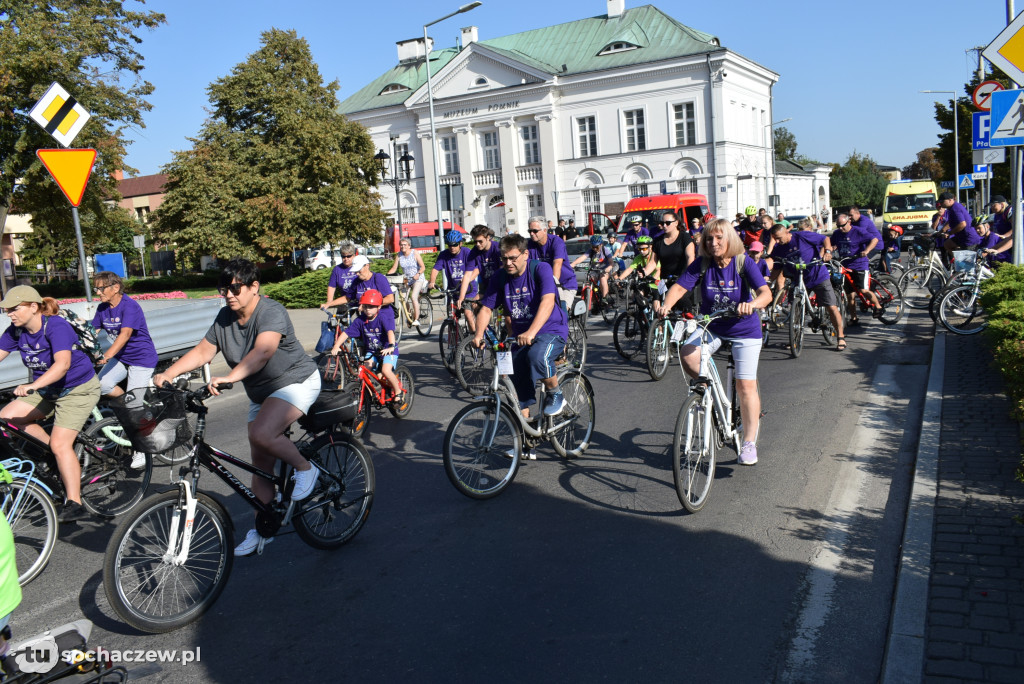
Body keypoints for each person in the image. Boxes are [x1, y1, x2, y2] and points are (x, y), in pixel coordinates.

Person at [152, 259, 321, 557]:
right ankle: (262, 528)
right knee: (262, 467)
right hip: (263, 394)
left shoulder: (271, 311)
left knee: (262, 433)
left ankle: (306, 469)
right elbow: (204, 350)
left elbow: (264, 351)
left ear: (254, 287)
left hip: (295, 382)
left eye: (235, 287)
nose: (229, 294)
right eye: (224, 288)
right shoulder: (224, 317)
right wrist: (170, 373)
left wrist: (230, 376)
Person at [656, 219, 772, 465]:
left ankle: (749, 442)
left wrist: (751, 304)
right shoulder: (703, 263)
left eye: (719, 238)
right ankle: (710, 390)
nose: (714, 242)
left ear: (729, 239)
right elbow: (679, 287)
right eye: (709, 239)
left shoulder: (743, 262)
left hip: (744, 329)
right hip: (713, 325)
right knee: (687, 352)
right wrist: (666, 305)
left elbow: (766, 294)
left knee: (745, 386)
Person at [0, 286, 101, 523]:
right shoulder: (15, 332)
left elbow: (62, 365)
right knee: (6, 420)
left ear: (33, 307)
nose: (9, 314)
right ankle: (56, 454)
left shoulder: (55, 327)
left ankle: (74, 502)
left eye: (14, 309)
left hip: (77, 389)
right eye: (6, 310)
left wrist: (34, 386)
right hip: (46, 389)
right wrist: (38, 387)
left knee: (60, 444)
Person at [474, 234, 568, 459]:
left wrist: (532, 332)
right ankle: (527, 440)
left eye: (513, 258)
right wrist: (478, 334)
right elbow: (486, 309)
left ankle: (556, 394)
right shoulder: (500, 277)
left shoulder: (540, 269)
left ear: (525, 254)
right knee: (513, 383)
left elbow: (547, 301)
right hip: (520, 336)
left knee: (537, 355)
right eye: (504, 258)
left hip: (550, 330)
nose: (508, 263)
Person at [768, 222, 845, 350]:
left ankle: (840, 337)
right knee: (795, 308)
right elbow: (777, 268)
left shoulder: (802, 236)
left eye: (779, 238)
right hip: (798, 279)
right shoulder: (779, 248)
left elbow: (825, 239)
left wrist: (827, 251)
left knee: (831, 306)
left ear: (787, 233)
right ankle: (794, 338)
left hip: (818, 276)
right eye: (775, 238)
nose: (777, 241)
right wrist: (769, 281)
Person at [330, 289, 402, 397]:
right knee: (362, 371)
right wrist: (336, 346)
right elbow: (346, 333)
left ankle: (398, 392)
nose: (368, 310)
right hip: (372, 352)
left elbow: (390, 332)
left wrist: (391, 345)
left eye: (372, 306)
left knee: (386, 371)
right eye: (366, 306)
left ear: (379, 307)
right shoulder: (360, 320)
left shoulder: (382, 317)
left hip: (388, 350)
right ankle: (368, 394)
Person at [831, 212, 881, 323]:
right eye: (838, 226)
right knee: (849, 295)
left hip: (859, 264)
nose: (841, 228)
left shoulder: (858, 231)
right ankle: (854, 318)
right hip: (845, 266)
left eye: (842, 226)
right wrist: (830, 250)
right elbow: (831, 244)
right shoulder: (837, 233)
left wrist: (866, 250)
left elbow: (875, 240)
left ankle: (878, 306)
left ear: (848, 222)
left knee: (863, 290)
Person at [430, 229, 478, 332]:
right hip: (453, 291)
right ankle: (453, 342)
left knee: (468, 314)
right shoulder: (444, 254)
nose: (452, 247)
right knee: (451, 316)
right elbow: (435, 269)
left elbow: (475, 270)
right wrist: (432, 282)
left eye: (455, 244)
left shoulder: (467, 252)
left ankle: (474, 339)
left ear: (460, 243)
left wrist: (468, 279)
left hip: (468, 291)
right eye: (449, 245)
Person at [527, 216, 578, 311]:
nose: (532, 234)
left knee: (560, 312)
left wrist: (551, 287)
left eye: (535, 231)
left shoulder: (556, 242)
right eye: (529, 231)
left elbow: (557, 264)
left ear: (545, 230)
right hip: (541, 286)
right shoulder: (530, 245)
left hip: (564, 284)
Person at [645, 211, 695, 305]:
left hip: (682, 280)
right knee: (657, 304)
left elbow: (690, 257)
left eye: (668, 223)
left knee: (681, 303)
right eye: (662, 223)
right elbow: (653, 262)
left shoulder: (685, 237)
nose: (664, 225)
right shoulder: (658, 241)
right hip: (663, 281)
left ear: (676, 223)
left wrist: (688, 276)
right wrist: (644, 272)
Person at [458, 224, 503, 311]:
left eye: (480, 241)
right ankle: (484, 325)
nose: (477, 244)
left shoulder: (498, 249)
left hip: (501, 284)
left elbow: (503, 270)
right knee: (474, 305)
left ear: (488, 237)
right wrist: (461, 297)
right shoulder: (474, 252)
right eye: (475, 242)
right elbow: (467, 275)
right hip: (486, 285)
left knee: (507, 317)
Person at [386, 238, 427, 325]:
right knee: (403, 298)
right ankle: (410, 315)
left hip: (417, 278)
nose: (403, 246)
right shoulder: (399, 255)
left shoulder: (414, 253)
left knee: (413, 297)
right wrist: (386, 276)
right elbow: (394, 268)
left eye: (405, 244)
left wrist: (418, 274)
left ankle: (417, 319)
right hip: (406, 280)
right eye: (401, 245)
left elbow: (423, 267)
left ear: (409, 246)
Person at [571, 234, 616, 305]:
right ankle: (594, 303)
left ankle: (604, 298)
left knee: (602, 279)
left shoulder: (605, 250)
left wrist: (609, 268)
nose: (594, 249)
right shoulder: (591, 251)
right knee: (591, 281)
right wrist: (573, 264)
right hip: (594, 270)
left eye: (596, 247)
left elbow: (611, 262)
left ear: (601, 245)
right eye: (593, 246)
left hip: (604, 270)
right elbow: (582, 257)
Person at [935, 192, 980, 258]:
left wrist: (950, 233)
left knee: (966, 263)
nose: (940, 204)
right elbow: (950, 221)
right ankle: (956, 260)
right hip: (961, 237)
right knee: (947, 244)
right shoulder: (951, 208)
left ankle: (959, 262)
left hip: (968, 239)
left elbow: (962, 224)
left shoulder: (955, 208)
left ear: (950, 200)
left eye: (942, 201)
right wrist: (941, 231)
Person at [320, 241, 360, 310]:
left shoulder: (360, 267)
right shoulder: (337, 269)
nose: (346, 259)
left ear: (354, 255)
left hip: (360, 300)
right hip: (345, 300)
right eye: (343, 256)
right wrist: (329, 302)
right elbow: (332, 286)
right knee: (340, 318)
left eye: (348, 256)